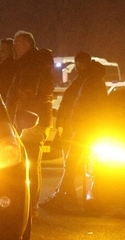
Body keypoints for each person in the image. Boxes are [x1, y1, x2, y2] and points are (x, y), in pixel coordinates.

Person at [42, 58, 107, 210]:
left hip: (86, 130)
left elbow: (87, 107)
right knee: (74, 163)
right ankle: (68, 195)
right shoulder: (90, 82)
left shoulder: (91, 83)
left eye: (81, 65)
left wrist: (78, 124)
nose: (79, 68)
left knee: (74, 164)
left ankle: (67, 196)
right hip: (84, 129)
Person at [6, 31, 54, 208]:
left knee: (30, 162)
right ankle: (29, 202)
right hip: (34, 118)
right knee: (31, 162)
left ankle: (29, 204)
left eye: (17, 44)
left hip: (31, 120)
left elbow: (26, 92)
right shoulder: (33, 62)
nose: (14, 47)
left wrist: (18, 116)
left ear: (27, 44)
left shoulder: (31, 64)